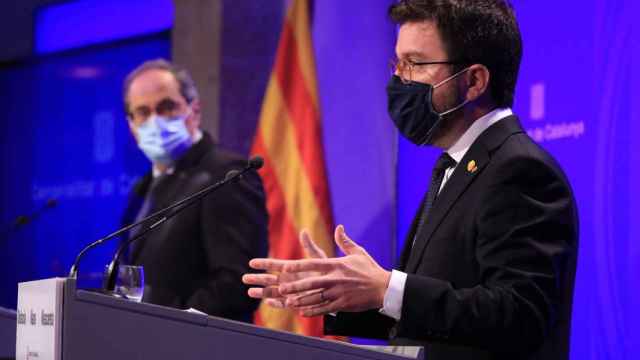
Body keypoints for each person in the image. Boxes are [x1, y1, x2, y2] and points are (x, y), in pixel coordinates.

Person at [242, 0, 578, 358]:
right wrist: (337, 294)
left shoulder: (520, 170)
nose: (400, 79)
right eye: (398, 63)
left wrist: (388, 287)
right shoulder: (454, 166)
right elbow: (436, 318)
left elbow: (520, 315)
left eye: (415, 63)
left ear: (474, 80)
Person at [122, 59, 268, 323]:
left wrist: (169, 322)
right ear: (131, 125)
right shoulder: (142, 188)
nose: (155, 121)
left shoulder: (227, 175)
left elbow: (238, 282)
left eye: (167, 107)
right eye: (143, 112)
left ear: (195, 110)